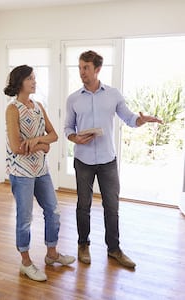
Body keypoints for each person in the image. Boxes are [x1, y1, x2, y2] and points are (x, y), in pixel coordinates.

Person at [64, 50, 163, 268]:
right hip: (83, 160)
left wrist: (141, 120)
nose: (82, 72)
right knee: (83, 205)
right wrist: (75, 138)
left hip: (108, 159)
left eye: (86, 68)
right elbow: (68, 128)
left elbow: (129, 118)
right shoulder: (73, 99)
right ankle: (83, 245)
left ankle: (114, 250)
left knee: (111, 206)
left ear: (97, 69)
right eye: (80, 67)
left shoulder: (113, 94)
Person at [4, 65, 75, 282]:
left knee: (53, 211)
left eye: (35, 78)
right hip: (21, 172)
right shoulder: (12, 109)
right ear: (20, 83)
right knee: (25, 218)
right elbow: (16, 147)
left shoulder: (38, 106)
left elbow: (53, 135)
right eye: (30, 79)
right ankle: (26, 262)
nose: (35, 82)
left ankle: (52, 254)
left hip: (41, 170)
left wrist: (37, 141)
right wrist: (43, 146)